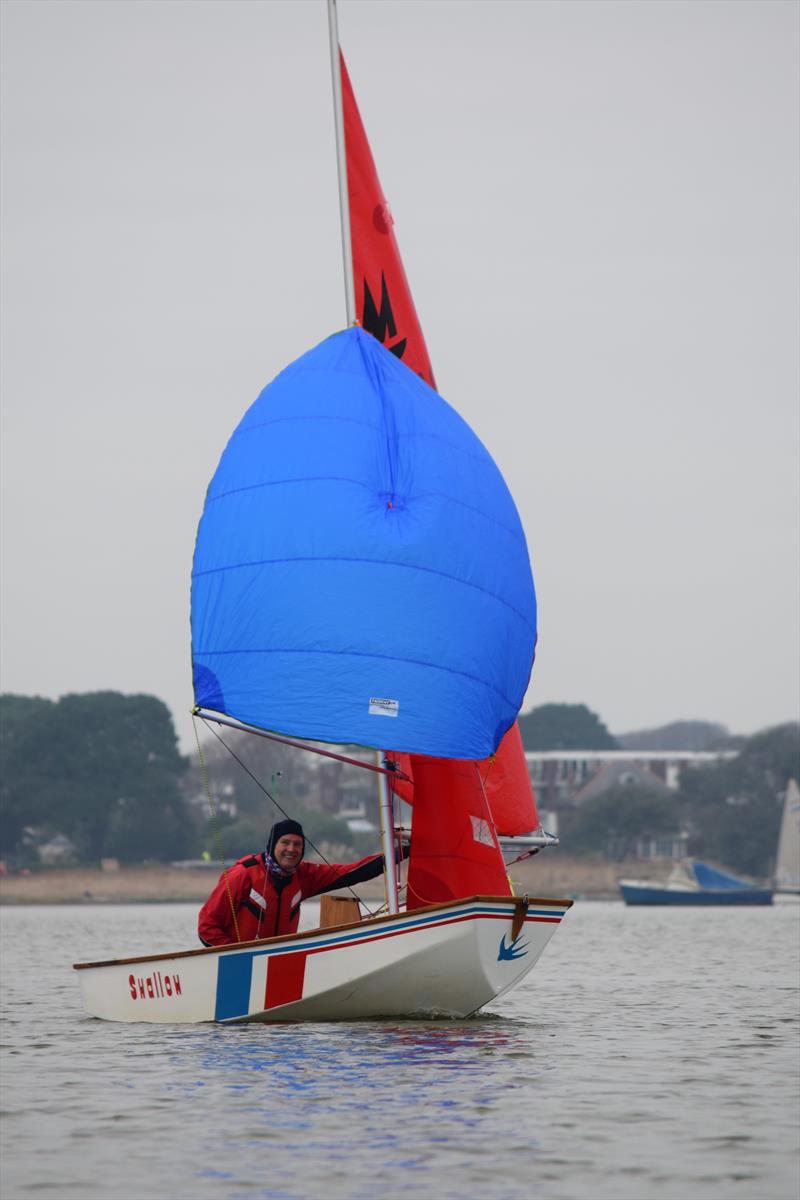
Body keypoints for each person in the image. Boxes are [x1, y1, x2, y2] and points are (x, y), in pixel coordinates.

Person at [198, 818, 393, 946]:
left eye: (297, 844)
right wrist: (234, 953)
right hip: (239, 966)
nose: (291, 849)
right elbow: (207, 927)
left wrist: (398, 853)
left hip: (279, 964)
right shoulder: (242, 874)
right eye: (285, 842)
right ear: (273, 845)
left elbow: (352, 873)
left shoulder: (305, 874)